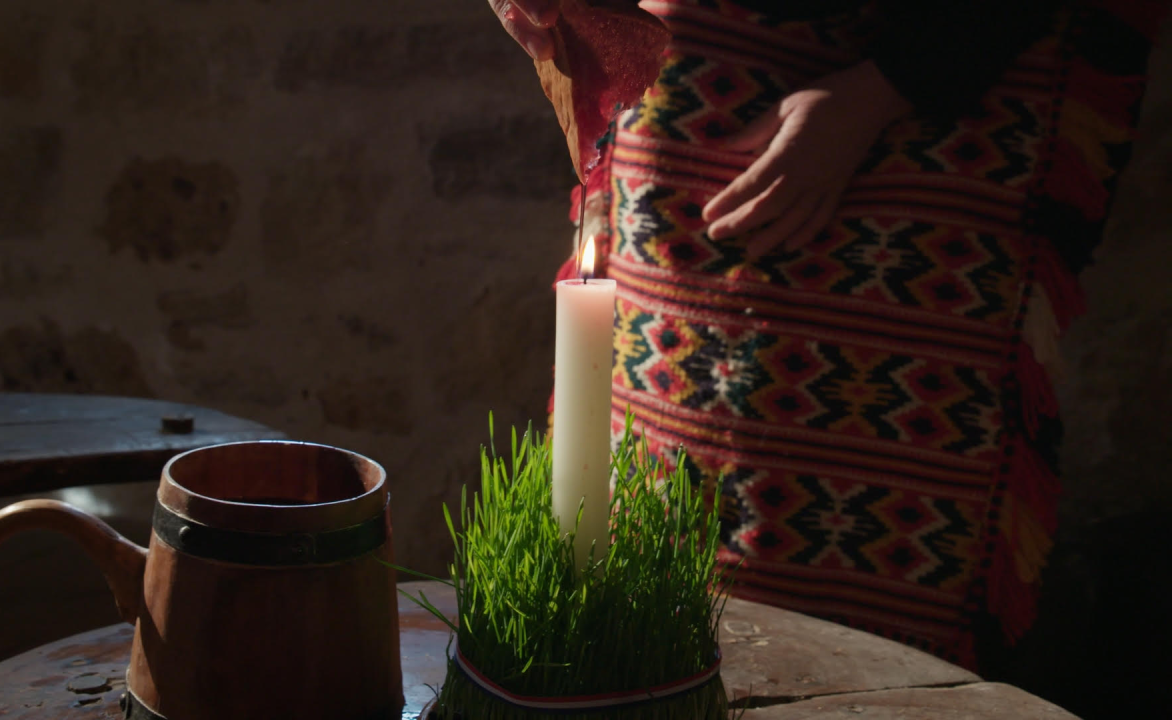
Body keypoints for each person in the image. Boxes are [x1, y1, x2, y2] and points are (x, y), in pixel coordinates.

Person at [490, 0, 1168, 669]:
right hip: (681, 84)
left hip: (926, 94)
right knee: (656, 542)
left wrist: (887, 88)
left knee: (848, 579)